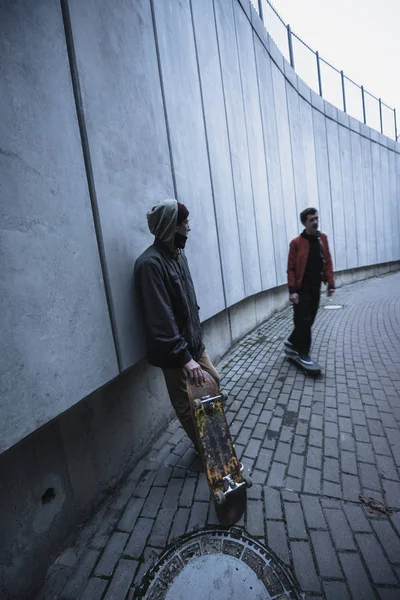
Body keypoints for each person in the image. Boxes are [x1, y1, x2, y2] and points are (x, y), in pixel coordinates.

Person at [134, 199, 219, 452]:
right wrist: (184, 357)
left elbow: (188, 302)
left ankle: (211, 434)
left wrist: (197, 342)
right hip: (174, 353)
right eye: (185, 223)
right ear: (172, 226)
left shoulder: (178, 255)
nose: (189, 228)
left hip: (193, 343)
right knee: (186, 404)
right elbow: (160, 318)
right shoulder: (150, 264)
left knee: (214, 380)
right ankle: (207, 449)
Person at [285, 207, 335, 367]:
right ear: (304, 223)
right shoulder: (296, 243)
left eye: (316, 219)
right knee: (303, 321)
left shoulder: (323, 239)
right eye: (311, 220)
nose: (315, 222)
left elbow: (327, 260)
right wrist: (292, 291)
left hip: (315, 287)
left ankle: (292, 342)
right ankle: (303, 352)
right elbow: (291, 268)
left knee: (309, 320)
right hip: (301, 289)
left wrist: (330, 282)